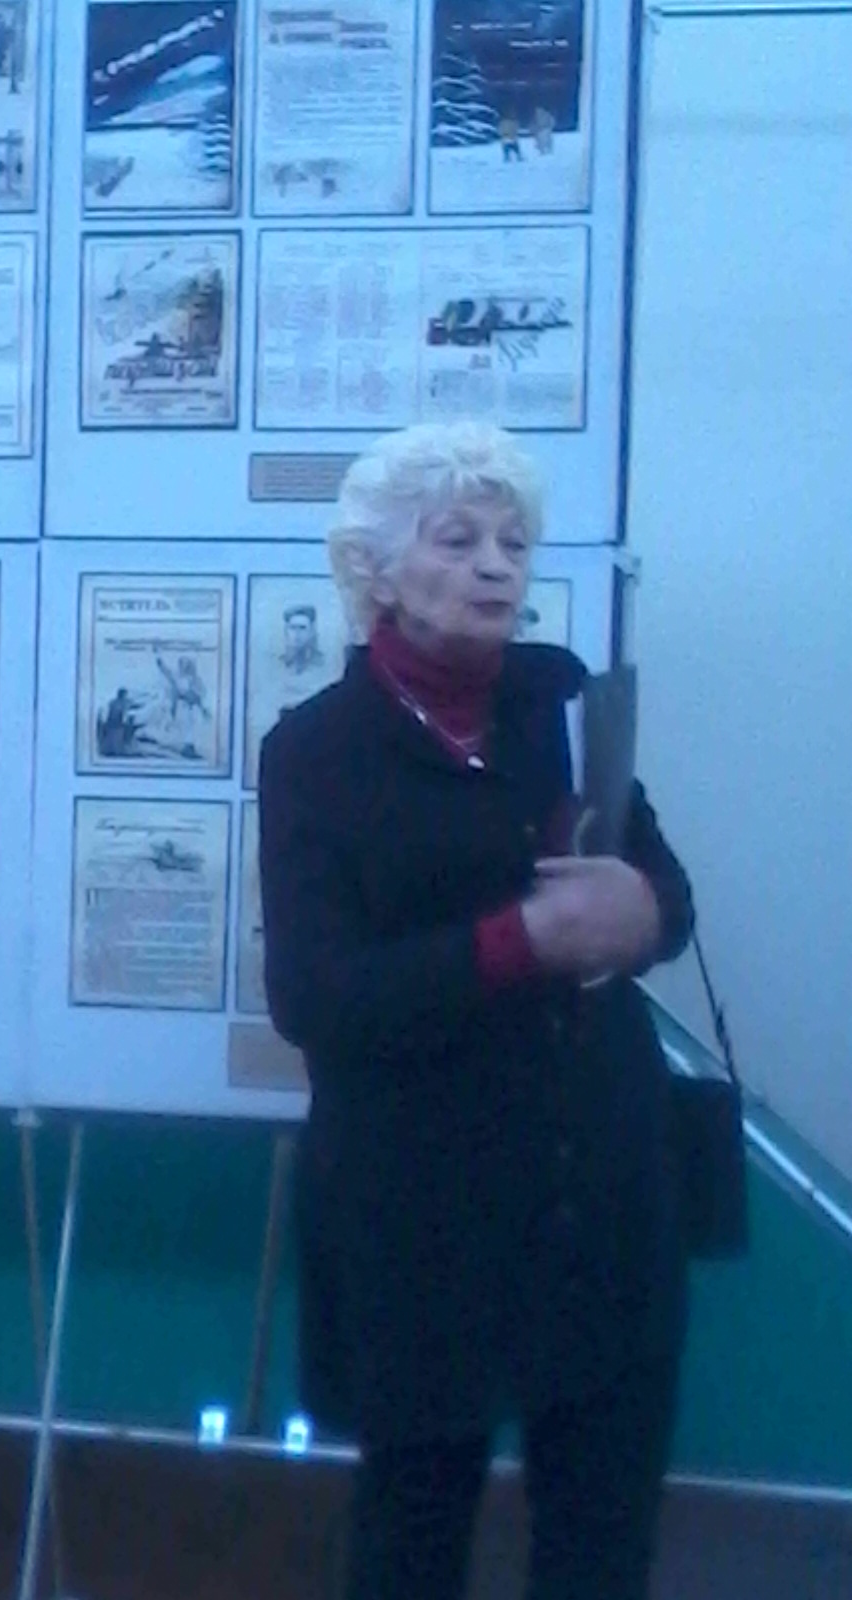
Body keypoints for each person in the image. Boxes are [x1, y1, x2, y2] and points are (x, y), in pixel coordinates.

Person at [257, 421, 694, 1600]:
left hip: (597, 1200)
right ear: (380, 569)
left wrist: (642, 912)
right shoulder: (316, 751)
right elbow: (315, 997)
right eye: (459, 540)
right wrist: (519, 942)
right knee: (411, 1538)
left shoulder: (560, 695)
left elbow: (667, 892)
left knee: (601, 1545)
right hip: (422, 1222)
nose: (497, 564)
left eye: (514, 541)